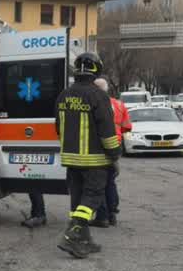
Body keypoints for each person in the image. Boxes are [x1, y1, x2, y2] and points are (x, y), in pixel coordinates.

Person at [54, 53, 121, 258]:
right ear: (97, 70)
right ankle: (72, 235)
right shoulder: (98, 96)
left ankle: (84, 240)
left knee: (78, 200)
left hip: (71, 159)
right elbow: (107, 130)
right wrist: (114, 154)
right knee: (92, 197)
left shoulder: (63, 95)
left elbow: (58, 127)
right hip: (95, 160)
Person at [92, 76, 130, 227]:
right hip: (116, 144)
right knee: (110, 180)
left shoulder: (94, 103)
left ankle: (102, 216)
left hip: (100, 145)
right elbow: (127, 126)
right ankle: (112, 213)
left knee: (99, 182)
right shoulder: (119, 104)